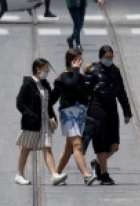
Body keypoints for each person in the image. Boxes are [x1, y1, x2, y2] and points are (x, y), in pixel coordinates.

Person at [83, 45, 132, 186]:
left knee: (114, 145)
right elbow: (85, 93)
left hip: (111, 109)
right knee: (102, 142)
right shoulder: (93, 71)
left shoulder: (115, 71)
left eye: (110, 57)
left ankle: (97, 163)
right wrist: (83, 111)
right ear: (100, 57)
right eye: (106, 57)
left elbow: (121, 92)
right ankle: (104, 174)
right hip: (97, 109)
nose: (108, 60)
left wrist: (126, 112)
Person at [15, 58, 69, 186]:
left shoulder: (45, 85)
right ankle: (19, 174)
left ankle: (54, 175)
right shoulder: (28, 84)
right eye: (45, 67)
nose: (48, 70)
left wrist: (53, 117)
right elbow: (20, 103)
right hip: (32, 123)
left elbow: (50, 103)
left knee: (47, 148)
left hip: (44, 123)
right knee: (26, 148)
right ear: (37, 69)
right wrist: (30, 116)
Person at [52, 49, 97, 184]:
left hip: (81, 113)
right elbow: (72, 86)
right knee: (77, 144)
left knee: (68, 148)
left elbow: (85, 93)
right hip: (68, 113)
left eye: (80, 59)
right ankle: (86, 175)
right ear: (70, 61)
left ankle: (56, 174)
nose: (80, 62)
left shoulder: (81, 77)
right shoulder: (64, 76)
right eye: (76, 59)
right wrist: (76, 70)